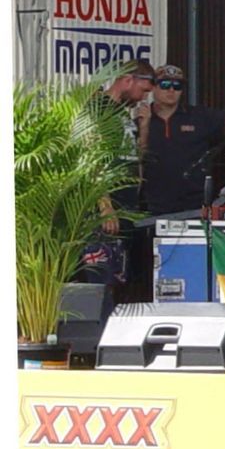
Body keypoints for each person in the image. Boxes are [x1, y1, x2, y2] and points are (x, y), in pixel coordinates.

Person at [137, 65, 225, 214]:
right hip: (153, 205)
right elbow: (136, 161)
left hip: (194, 205)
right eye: (165, 85)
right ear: (153, 88)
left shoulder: (199, 116)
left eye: (177, 86)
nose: (171, 90)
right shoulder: (142, 120)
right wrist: (143, 127)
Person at [86, 59, 156, 301]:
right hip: (108, 210)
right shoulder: (98, 108)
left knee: (123, 277)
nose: (143, 98)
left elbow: (134, 157)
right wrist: (105, 206)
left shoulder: (123, 113)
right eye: (143, 90)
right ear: (128, 80)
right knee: (103, 280)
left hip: (128, 207)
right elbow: (90, 158)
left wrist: (144, 128)